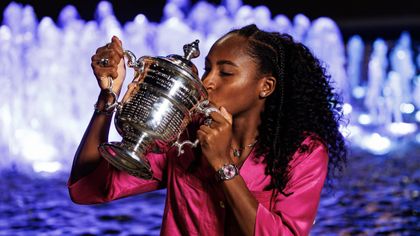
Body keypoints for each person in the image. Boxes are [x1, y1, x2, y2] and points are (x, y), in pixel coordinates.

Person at [68, 24, 347, 235]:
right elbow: (86, 188)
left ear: (266, 86)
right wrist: (108, 97)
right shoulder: (183, 133)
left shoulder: (303, 152)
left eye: (225, 73)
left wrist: (222, 164)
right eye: (207, 69)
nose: (208, 82)